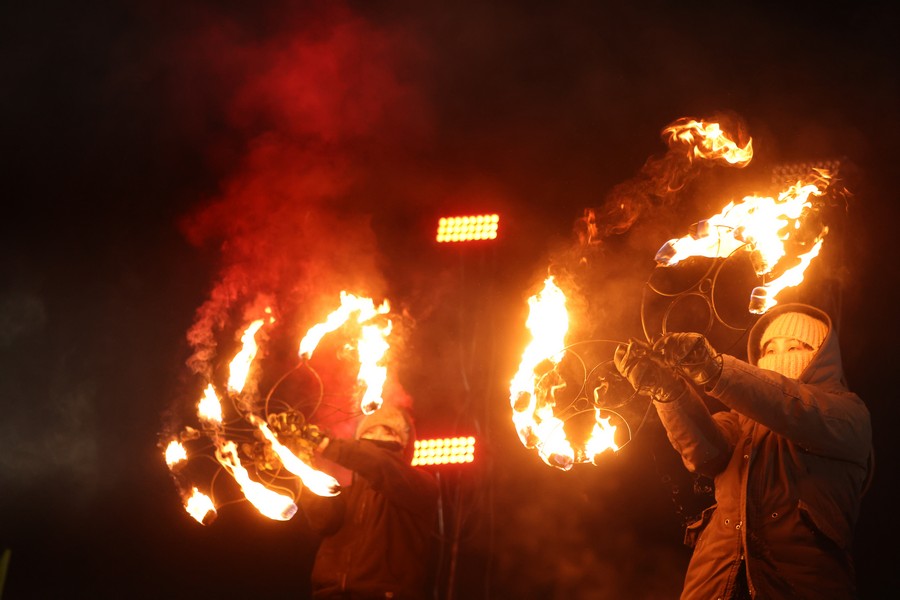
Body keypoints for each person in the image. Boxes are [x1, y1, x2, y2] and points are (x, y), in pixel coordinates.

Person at [614, 302, 872, 599]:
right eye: (770, 350)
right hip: (714, 585)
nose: (779, 357)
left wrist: (714, 369)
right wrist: (667, 391)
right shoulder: (740, 420)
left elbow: (792, 408)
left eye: (794, 348)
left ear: (821, 356)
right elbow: (704, 454)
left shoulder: (847, 413)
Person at [299, 404, 440, 600]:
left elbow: (380, 463)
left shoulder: (419, 484)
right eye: (369, 430)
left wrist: (329, 445)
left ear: (404, 443)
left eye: (388, 430)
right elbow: (323, 521)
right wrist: (302, 467)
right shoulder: (346, 493)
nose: (376, 435)